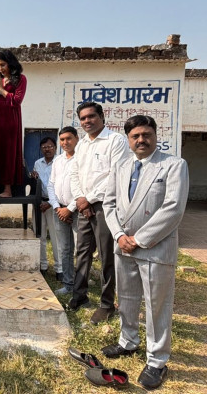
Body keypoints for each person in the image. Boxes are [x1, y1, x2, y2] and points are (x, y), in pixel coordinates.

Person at [101, 115, 189, 390]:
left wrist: (139, 239)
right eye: (135, 136)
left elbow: (173, 209)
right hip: (123, 245)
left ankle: (157, 360)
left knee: (156, 305)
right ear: (128, 140)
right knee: (126, 298)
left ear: (155, 134)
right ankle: (128, 341)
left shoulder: (173, 165)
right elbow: (110, 203)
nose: (141, 139)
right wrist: (118, 235)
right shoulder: (122, 165)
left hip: (155, 247)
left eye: (146, 134)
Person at [68, 102, 129, 324]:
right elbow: (74, 173)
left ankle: (106, 304)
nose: (87, 121)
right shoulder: (82, 144)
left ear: (102, 117)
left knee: (106, 256)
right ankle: (79, 295)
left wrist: (89, 200)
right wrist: (80, 200)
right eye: (83, 118)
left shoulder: (115, 141)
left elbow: (115, 175)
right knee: (82, 251)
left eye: (91, 116)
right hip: (84, 206)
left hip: (104, 206)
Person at [0, 49, 27, 197]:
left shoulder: (20, 79)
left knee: (8, 154)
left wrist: (1, 89)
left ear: (11, 63)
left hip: (11, 123)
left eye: (3, 64)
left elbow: (16, 101)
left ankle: (8, 190)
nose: (0, 68)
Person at [48, 126, 80, 295]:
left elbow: (86, 186)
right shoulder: (58, 160)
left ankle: (81, 284)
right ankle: (68, 284)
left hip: (79, 209)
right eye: (62, 139)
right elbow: (51, 185)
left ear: (76, 138)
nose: (65, 142)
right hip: (59, 209)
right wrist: (58, 207)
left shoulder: (82, 159)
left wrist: (70, 208)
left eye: (68, 138)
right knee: (64, 248)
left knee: (80, 250)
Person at [32, 136, 61, 279]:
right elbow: (36, 183)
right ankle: (43, 266)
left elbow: (61, 186)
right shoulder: (38, 163)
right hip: (39, 204)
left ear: (55, 148)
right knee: (40, 236)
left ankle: (59, 269)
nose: (47, 149)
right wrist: (33, 175)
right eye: (44, 147)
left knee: (56, 238)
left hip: (54, 205)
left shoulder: (61, 162)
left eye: (50, 146)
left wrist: (50, 203)